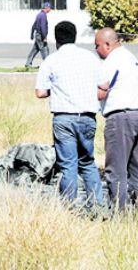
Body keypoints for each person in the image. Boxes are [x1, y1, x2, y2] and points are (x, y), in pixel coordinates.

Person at [34, 21, 106, 207]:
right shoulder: (90, 58)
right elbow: (104, 85)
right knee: (88, 162)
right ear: (75, 37)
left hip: (64, 118)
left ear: (56, 39)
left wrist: (56, 90)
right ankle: (97, 206)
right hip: (88, 117)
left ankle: (69, 207)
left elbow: (40, 92)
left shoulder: (51, 60)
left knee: (68, 165)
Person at [95, 27, 138, 209]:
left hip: (121, 118)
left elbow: (101, 92)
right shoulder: (130, 57)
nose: (96, 50)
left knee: (116, 170)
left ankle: (120, 215)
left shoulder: (113, 60)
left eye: (97, 46)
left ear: (108, 44)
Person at [24, 2, 52, 68]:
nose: (50, 9)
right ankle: (48, 65)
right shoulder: (43, 16)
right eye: (49, 8)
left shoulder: (39, 15)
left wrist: (32, 34)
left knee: (35, 49)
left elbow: (34, 25)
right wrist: (44, 37)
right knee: (44, 49)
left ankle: (28, 63)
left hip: (38, 35)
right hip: (41, 36)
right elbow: (43, 27)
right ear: (46, 8)